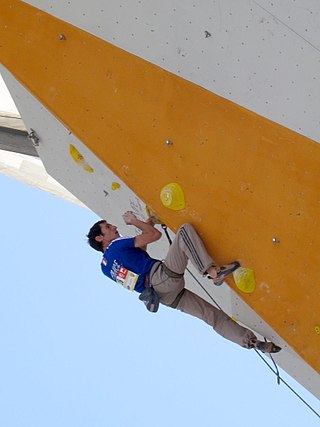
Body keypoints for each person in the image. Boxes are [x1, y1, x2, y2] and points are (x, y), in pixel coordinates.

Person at [87, 211, 281, 353]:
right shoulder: (117, 244)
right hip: (162, 278)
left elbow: (140, 256)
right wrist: (135, 221)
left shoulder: (105, 268)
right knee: (185, 233)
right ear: (100, 237)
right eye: (108, 227)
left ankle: (251, 342)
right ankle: (213, 272)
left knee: (211, 316)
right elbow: (155, 237)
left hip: (163, 297)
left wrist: (149, 222)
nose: (114, 227)